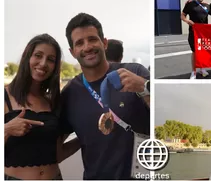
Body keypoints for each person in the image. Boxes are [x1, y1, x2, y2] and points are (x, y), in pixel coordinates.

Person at [60, 13, 150, 180]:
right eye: (79, 43)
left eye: (92, 39)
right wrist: (83, 138)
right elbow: (57, 152)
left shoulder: (135, 72)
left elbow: (163, 112)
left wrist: (144, 88)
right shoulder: (69, 93)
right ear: (72, 52)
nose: (87, 47)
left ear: (104, 43)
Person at [4, 34, 80, 180]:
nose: (43, 63)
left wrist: (84, 137)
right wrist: (7, 129)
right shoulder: (5, 97)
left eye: (51, 60)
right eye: (38, 55)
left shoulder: (53, 103)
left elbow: (58, 155)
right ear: (28, 57)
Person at [181, 0, 210, 79]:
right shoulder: (190, 4)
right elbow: (182, 15)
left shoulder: (207, 6)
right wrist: (187, 21)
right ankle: (194, 71)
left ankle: (202, 69)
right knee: (195, 51)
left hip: (204, 32)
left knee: (203, 51)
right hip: (193, 31)